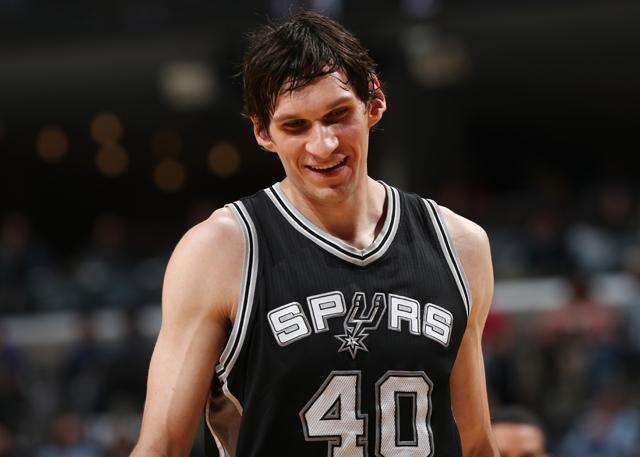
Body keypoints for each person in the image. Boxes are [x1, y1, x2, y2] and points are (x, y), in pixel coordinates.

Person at [132, 11, 498, 456]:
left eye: (337, 115)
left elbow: (476, 444)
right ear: (263, 132)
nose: (323, 145)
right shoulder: (220, 250)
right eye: (295, 126)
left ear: (374, 102)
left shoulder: (459, 244)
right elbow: (161, 447)